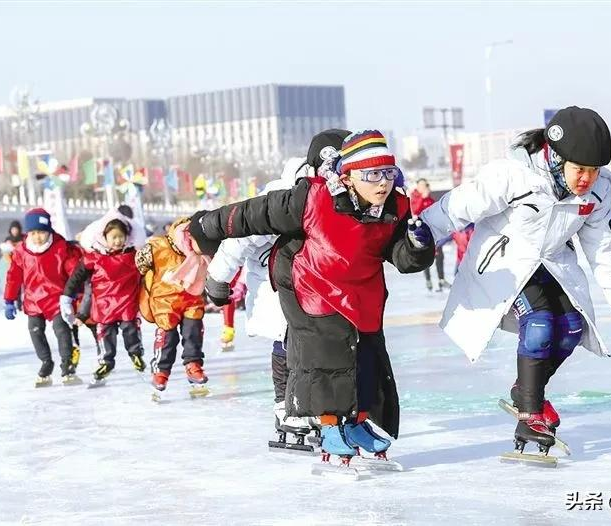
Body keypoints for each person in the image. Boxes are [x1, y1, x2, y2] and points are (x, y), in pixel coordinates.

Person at [190, 130, 435, 466]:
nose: (383, 184)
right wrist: (209, 225)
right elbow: (252, 215)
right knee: (325, 356)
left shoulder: (393, 208)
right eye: (372, 175)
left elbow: (403, 258)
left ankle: (358, 421)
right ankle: (331, 426)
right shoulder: (312, 197)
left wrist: (419, 246)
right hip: (310, 285)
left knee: (365, 359)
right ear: (347, 176)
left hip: (360, 291)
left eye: (389, 174)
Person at [421, 106, 611, 454]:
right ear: (555, 156)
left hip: (553, 263)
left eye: (594, 170)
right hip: (506, 264)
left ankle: (526, 392)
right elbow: (462, 204)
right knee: (538, 325)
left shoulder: (597, 193)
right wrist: (423, 232)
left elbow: (604, 244)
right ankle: (530, 413)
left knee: (570, 327)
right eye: (579, 169)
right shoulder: (514, 175)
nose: (586, 178)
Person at [206, 141, 348, 447]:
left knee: (319, 347)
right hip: (276, 286)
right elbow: (238, 238)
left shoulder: (336, 198)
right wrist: (219, 278)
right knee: (287, 343)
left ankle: (320, 409)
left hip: (319, 287)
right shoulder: (278, 200)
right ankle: (286, 406)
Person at [61, 209, 145, 384]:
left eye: (121, 236)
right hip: (104, 304)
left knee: (130, 329)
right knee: (105, 334)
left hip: (126, 302)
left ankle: (136, 354)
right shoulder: (94, 258)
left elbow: (149, 271)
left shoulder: (133, 256)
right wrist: (67, 296)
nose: (117, 240)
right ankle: (106, 362)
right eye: (113, 237)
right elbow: (76, 277)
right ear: (104, 237)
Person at [3, 208, 82, 386]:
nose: (37, 237)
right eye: (33, 233)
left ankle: (67, 365)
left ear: (49, 231)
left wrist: (77, 294)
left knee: (61, 330)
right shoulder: (21, 251)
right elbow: (13, 276)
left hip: (57, 298)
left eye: (41, 232)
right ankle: (46, 362)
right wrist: (9, 299)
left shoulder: (61, 248)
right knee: (35, 330)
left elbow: (74, 272)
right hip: (34, 300)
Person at [135, 218, 209, 392]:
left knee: (193, 334)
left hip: (192, 298)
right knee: (168, 338)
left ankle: (193, 364)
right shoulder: (156, 247)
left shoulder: (201, 252)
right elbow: (140, 266)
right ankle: (161, 370)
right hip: (165, 301)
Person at [411, 178, 449, 291]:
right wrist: (422, 198)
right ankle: (428, 279)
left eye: (425, 185)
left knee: (439, 255)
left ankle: (441, 279)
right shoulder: (414, 197)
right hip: (420, 229)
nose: (424, 188)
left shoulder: (430, 199)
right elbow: (415, 210)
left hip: (434, 230)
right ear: (417, 186)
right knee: (426, 255)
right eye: (421, 185)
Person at [0, 221, 23, 308]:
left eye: (16, 229)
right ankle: (11, 301)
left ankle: (19, 302)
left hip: (21, 264)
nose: (15, 231)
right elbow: (4, 252)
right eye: (13, 229)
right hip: (10, 264)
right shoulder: (8, 240)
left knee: (21, 285)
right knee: (12, 283)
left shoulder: (23, 238)